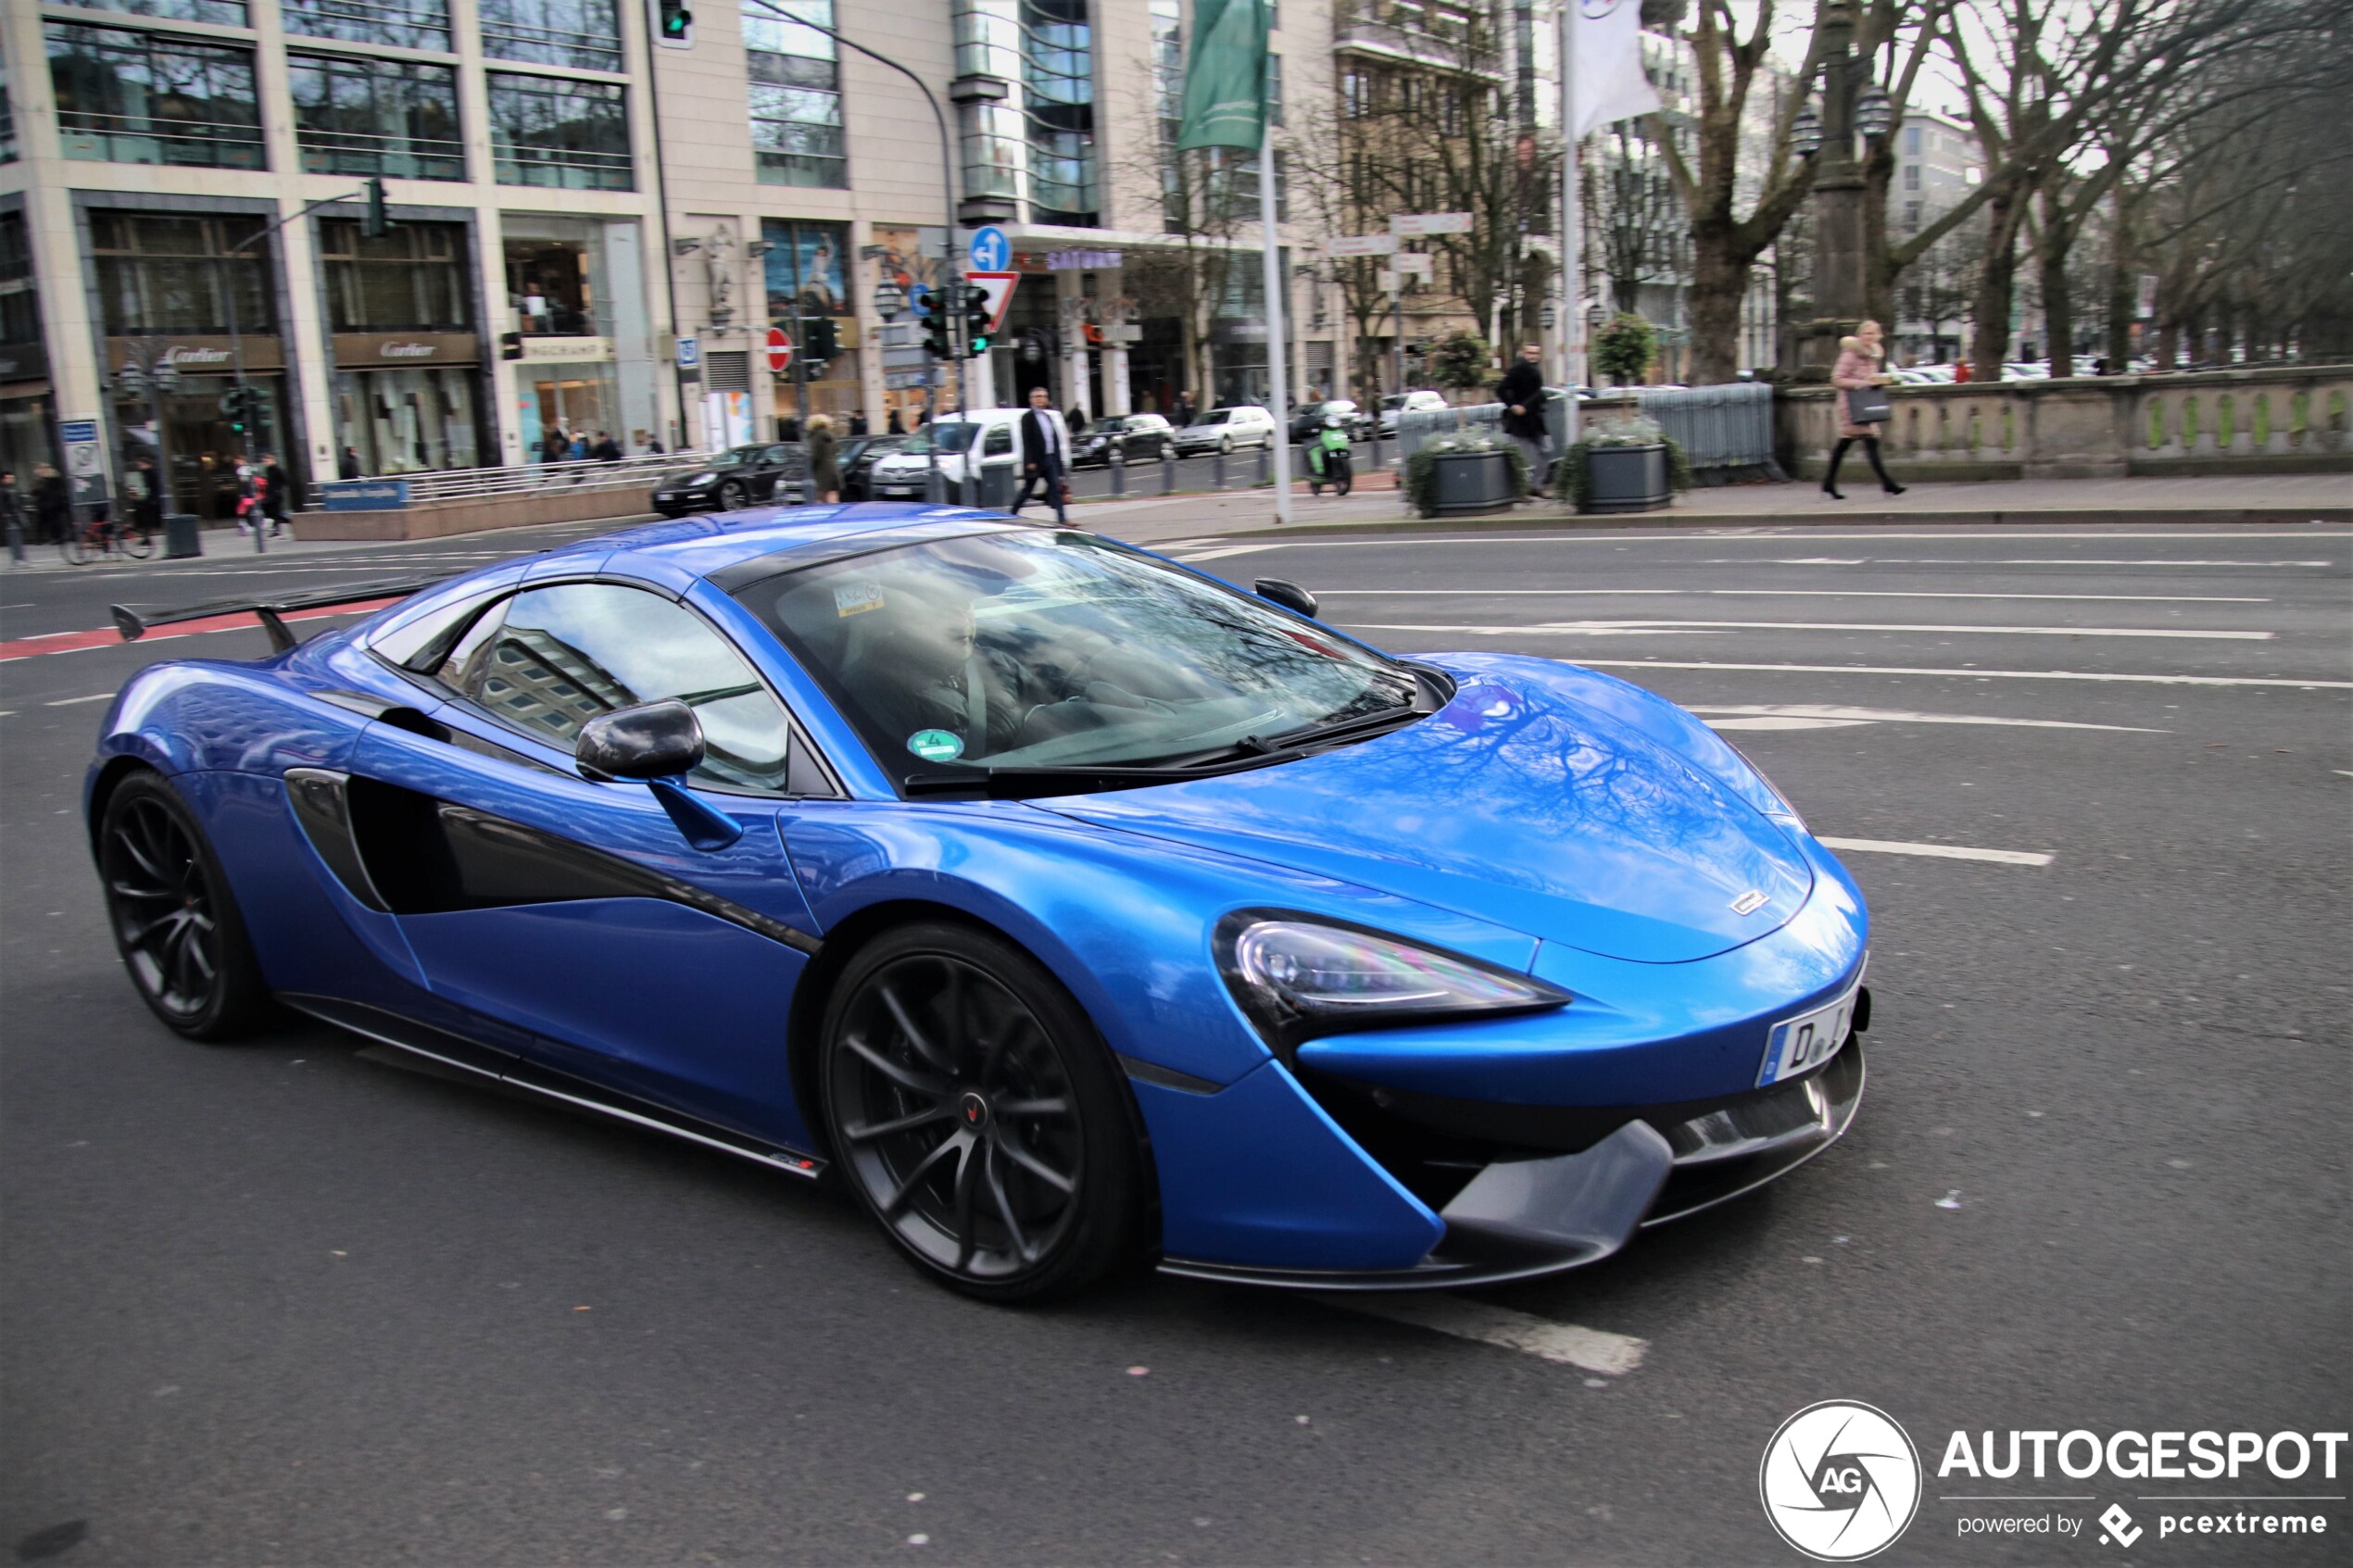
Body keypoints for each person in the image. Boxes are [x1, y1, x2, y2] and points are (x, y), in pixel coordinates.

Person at [1823, 320, 1906, 500]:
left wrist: (1878, 381)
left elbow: (1868, 378)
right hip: (1851, 406)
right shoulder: (1850, 354)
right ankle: (1887, 484)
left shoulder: (1872, 356)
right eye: (1866, 333)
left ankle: (1829, 483)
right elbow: (1837, 379)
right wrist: (1864, 384)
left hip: (1865, 405)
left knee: (1849, 445)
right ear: (1859, 335)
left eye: (1873, 333)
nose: (1869, 337)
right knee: (1864, 444)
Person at [1496, 343, 1553, 500]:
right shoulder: (1518, 369)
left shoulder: (1535, 369)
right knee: (1525, 456)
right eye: (1529, 353)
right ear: (1523, 353)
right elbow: (1501, 389)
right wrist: (1513, 406)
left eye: (1535, 353)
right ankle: (1522, 490)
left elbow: (1537, 392)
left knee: (1545, 451)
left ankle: (1535, 486)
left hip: (1535, 420)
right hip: (1521, 421)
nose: (1533, 356)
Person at [1013, 385, 1072, 524]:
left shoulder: (1048, 417)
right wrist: (1030, 461)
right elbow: (1026, 441)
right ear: (1031, 400)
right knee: (1027, 491)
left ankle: (1062, 519)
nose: (1041, 399)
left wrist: (1058, 462)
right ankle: (1011, 514)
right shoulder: (1027, 418)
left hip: (1050, 459)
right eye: (1038, 396)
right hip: (1036, 460)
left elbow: (1054, 440)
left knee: (1056, 489)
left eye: (1044, 396)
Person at [806, 411, 841, 503]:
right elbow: (836, 450)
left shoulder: (816, 436)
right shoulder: (830, 435)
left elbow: (815, 455)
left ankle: (826, 514)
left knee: (821, 496)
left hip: (822, 471)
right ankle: (835, 512)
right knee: (832, 494)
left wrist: (812, 466)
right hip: (833, 469)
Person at [31, 463, 69, 545]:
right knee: (52, 521)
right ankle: (54, 537)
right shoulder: (45, 478)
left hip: (51, 503)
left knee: (54, 521)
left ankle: (57, 537)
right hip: (49, 503)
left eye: (40, 469)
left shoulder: (50, 478)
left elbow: (44, 491)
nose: (38, 471)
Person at [259, 451, 292, 536]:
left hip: (275, 495)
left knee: (275, 513)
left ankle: (277, 529)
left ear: (273, 460)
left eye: (267, 460)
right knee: (272, 512)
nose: (265, 462)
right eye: (264, 461)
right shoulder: (266, 471)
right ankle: (289, 522)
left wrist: (277, 488)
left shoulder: (277, 470)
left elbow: (285, 481)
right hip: (269, 494)